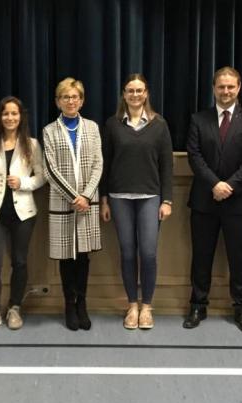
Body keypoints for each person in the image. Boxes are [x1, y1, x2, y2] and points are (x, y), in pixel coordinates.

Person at [184, 66, 242, 333]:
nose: (226, 91)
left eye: (231, 86)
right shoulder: (199, 119)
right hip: (204, 199)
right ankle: (198, 304)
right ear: (214, 88)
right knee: (201, 256)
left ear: (239, 87)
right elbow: (194, 156)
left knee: (238, 258)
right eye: (221, 86)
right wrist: (215, 184)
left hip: (238, 200)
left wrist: (229, 185)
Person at [100, 73, 173, 330]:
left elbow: (166, 166)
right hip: (119, 198)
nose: (134, 95)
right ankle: (132, 304)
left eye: (139, 90)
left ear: (146, 93)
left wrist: (168, 201)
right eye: (130, 90)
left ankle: (147, 306)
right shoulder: (112, 125)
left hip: (151, 198)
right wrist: (104, 199)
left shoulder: (159, 125)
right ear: (124, 94)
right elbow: (105, 164)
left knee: (149, 253)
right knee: (128, 253)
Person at [0, 96, 46, 334]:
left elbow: (41, 177)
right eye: (5, 114)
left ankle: (14, 308)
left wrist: (23, 182)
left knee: (20, 261)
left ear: (21, 117)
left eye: (14, 114)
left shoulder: (32, 144)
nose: (10, 118)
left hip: (23, 213)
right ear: (0, 117)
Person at [42, 77, 103, 331]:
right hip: (63, 203)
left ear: (82, 100)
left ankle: (82, 304)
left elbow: (98, 163)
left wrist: (86, 196)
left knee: (84, 256)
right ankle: (69, 303)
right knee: (67, 257)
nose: (71, 101)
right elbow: (50, 170)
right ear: (58, 101)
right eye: (65, 97)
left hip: (88, 204)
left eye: (75, 96)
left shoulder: (92, 127)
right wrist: (74, 197)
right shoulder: (49, 130)